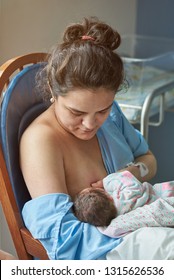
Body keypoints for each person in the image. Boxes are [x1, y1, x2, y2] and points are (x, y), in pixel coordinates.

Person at [20, 17, 157, 260]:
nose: (90, 125)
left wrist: (131, 173)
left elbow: (149, 161)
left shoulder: (113, 114)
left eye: (101, 111)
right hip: (110, 249)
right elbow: (62, 239)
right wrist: (140, 237)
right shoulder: (41, 142)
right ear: (52, 90)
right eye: (76, 112)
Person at [73, 170, 174, 227]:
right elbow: (127, 180)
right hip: (166, 193)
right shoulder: (126, 197)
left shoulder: (117, 218)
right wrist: (105, 181)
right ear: (109, 197)